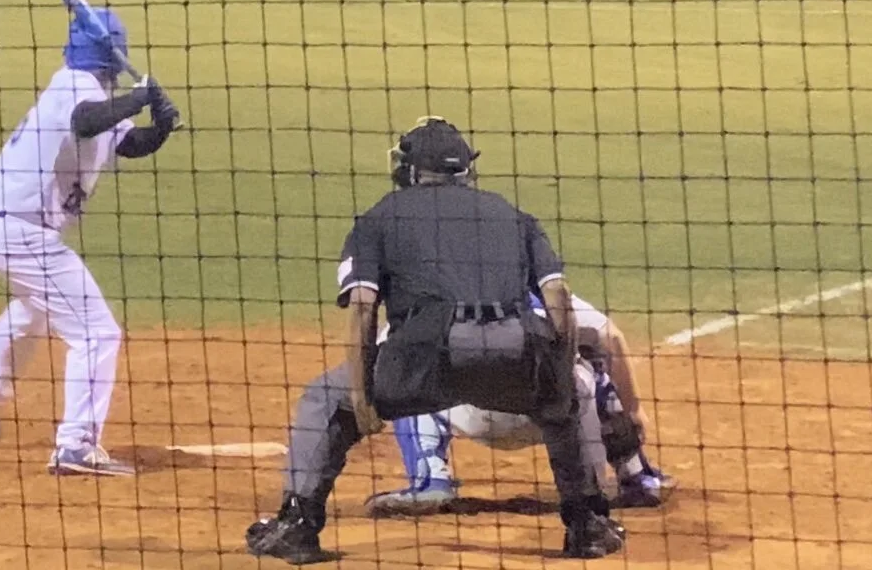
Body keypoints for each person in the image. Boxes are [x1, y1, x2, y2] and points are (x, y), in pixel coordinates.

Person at [245, 117, 626, 563]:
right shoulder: (511, 213)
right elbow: (557, 298)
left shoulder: (379, 217)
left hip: (426, 355)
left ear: (409, 170)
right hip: (512, 351)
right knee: (575, 395)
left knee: (325, 398)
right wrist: (558, 381)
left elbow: (364, 307)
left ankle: (297, 526)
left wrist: (363, 395)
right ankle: (589, 526)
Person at [0, 8, 179, 476]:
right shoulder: (75, 86)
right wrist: (138, 96)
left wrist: (158, 125)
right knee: (97, 331)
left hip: (4, 227)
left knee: (33, 310)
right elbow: (86, 121)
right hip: (18, 229)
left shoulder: (89, 89)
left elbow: (126, 143)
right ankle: (75, 446)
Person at [365, 292, 676, 515]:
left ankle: (429, 480)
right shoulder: (541, 294)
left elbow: (383, 360)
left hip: (468, 415)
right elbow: (611, 337)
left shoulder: (423, 306)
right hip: (551, 418)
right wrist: (635, 411)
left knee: (409, 376)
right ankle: (636, 475)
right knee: (596, 369)